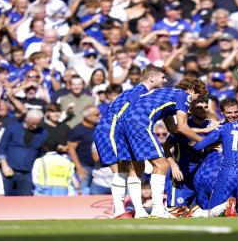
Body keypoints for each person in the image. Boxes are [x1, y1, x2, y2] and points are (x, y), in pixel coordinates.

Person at [118, 77, 207, 218]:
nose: (195, 101)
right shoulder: (184, 95)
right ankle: (158, 209)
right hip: (140, 124)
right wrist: (204, 141)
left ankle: (139, 212)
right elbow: (182, 127)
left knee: (137, 167)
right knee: (162, 164)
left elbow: (173, 128)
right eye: (197, 96)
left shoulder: (166, 95)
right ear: (191, 90)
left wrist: (202, 131)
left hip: (123, 123)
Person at [94, 65, 167, 218]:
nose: (165, 81)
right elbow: (123, 116)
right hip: (110, 130)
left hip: (120, 131)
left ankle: (139, 211)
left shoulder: (137, 92)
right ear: (152, 78)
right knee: (120, 170)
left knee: (137, 167)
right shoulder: (139, 93)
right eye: (162, 77)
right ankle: (119, 211)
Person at [185, 98, 238, 218]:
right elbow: (184, 133)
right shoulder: (216, 126)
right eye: (229, 113)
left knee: (212, 211)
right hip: (212, 174)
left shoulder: (218, 127)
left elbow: (197, 146)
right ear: (222, 112)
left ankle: (194, 212)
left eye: (236, 112)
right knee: (220, 211)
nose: (233, 115)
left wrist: (207, 143)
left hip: (209, 173)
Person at [163, 95, 216, 215]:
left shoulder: (213, 126)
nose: (203, 110)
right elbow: (166, 147)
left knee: (201, 214)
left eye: (206, 107)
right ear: (191, 109)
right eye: (199, 107)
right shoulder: (183, 127)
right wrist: (173, 166)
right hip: (182, 177)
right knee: (176, 213)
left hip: (203, 178)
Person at [0, 110, 48, 196]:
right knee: (4, 199)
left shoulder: (43, 133)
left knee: (26, 201)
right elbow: (1, 148)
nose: (35, 126)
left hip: (27, 173)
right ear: (27, 119)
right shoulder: (12, 128)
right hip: (8, 170)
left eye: (37, 124)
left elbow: (41, 153)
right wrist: (4, 165)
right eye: (33, 123)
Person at [67, 105, 101, 195]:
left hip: (99, 167)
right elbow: (71, 149)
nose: (100, 116)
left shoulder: (100, 127)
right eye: (97, 114)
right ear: (88, 117)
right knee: (83, 192)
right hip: (84, 167)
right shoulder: (77, 130)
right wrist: (79, 168)